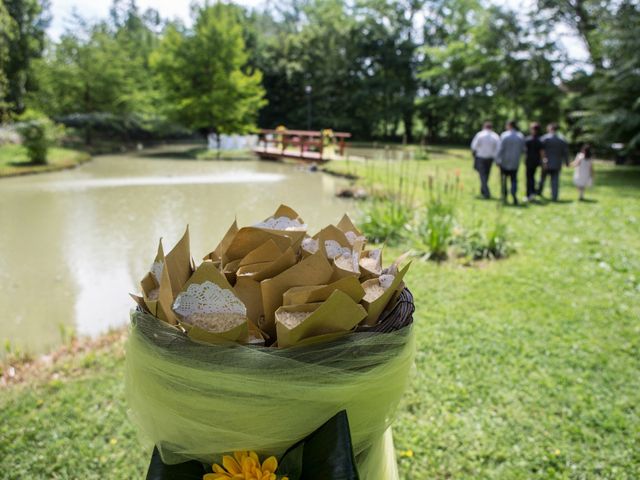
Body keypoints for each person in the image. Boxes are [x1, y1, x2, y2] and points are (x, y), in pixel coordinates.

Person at [496, 120, 525, 205]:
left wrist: (497, 159)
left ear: (509, 125)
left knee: (504, 180)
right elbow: (523, 149)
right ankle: (513, 194)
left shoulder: (504, 135)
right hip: (515, 162)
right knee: (514, 180)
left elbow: (500, 149)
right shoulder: (520, 136)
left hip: (504, 161)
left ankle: (504, 195)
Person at [539, 123, 569, 201]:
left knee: (542, 179)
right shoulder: (562, 140)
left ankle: (539, 192)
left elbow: (540, 150)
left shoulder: (544, 139)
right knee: (555, 181)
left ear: (550, 129)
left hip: (546, 163)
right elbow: (565, 152)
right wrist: (567, 162)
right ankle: (554, 196)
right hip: (557, 163)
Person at [470, 121, 500, 199]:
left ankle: (486, 192)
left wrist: (475, 153)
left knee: (482, 175)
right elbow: (498, 148)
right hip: (490, 158)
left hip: (481, 157)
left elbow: (474, 146)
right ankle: (483, 190)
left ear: (484, 127)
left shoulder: (480, 135)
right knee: (486, 175)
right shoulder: (495, 136)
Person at [524, 122, 543, 201]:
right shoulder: (540, 140)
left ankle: (529, 194)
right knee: (532, 178)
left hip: (530, 161)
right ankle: (532, 193)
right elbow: (541, 152)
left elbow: (524, 150)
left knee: (529, 178)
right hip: (536, 161)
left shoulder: (528, 139)